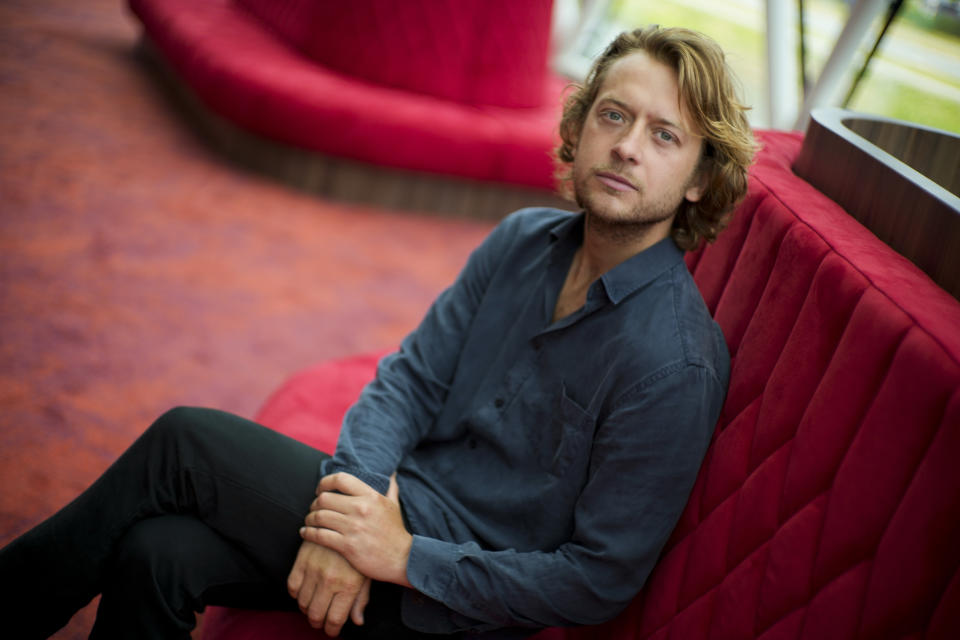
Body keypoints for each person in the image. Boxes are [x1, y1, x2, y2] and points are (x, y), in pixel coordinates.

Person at [0, 25, 755, 639]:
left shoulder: (675, 362)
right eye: (614, 116)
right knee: (155, 555)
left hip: (456, 605)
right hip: (395, 509)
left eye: (665, 136)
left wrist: (403, 557)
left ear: (698, 179)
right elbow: (412, 378)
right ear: (582, 125)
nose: (627, 146)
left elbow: (597, 579)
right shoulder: (524, 240)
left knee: (185, 442)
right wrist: (354, 511)